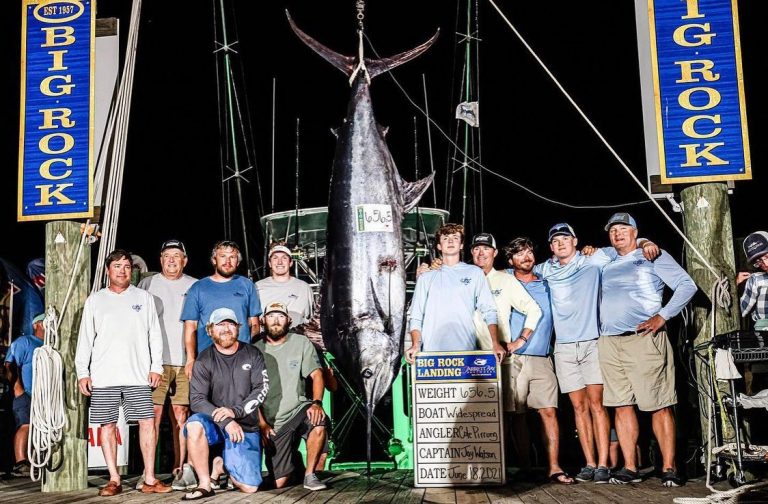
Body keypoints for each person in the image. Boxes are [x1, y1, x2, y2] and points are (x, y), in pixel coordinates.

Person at [598, 212, 696, 486]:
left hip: (644, 339)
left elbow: (687, 285)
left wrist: (663, 315)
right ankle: (630, 468)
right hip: (610, 341)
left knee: (659, 405)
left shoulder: (653, 255)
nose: (618, 233)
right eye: (613, 230)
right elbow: (587, 252)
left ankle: (669, 468)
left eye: (624, 228)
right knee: (621, 405)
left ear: (634, 231)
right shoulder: (606, 258)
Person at [74, 249, 170, 496]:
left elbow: (154, 335)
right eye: (117, 266)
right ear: (108, 270)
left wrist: (156, 367)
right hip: (104, 375)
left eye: (126, 266)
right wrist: (82, 372)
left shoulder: (144, 298)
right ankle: (114, 479)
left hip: (137, 375)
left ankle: (149, 478)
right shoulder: (96, 300)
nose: (122, 270)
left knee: (147, 423)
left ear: (132, 270)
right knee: (107, 425)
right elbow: (85, 339)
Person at [504, 237, 574, 485]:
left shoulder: (547, 283)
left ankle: (554, 467)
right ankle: (524, 467)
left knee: (548, 412)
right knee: (518, 416)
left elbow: (568, 262)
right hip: (514, 358)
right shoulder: (503, 280)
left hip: (543, 357)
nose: (526, 257)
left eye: (529, 251)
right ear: (511, 260)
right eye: (519, 253)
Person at [183, 307, 269, 500]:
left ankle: (221, 465)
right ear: (210, 330)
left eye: (230, 323)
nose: (226, 329)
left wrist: (234, 413)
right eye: (220, 324)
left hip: (244, 425)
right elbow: (197, 400)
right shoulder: (204, 360)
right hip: (217, 424)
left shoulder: (252, 354)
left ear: (238, 328)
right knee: (195, 424)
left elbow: (260, 390)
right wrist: (226, 421)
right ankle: (205, 484)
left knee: (250, 487)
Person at [138, 239, 198, 490]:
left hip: (185, 361)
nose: (171, 260)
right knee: (152, 415)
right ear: (160, 260)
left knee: (181, 416)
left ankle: (179, 467)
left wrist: (194, 358)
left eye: (176, 255)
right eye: (166, 255)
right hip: (155, 362)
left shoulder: (195, 285)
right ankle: (148, 472)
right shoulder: (147, 284)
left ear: (184, 260)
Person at [255, 302, 328, 491]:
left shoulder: (301, 342)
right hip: (272, 421)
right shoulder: (254, 349)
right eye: (271, 316)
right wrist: (262, 423)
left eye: (280, 316)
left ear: (288, 320)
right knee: (280, 482)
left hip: (298, 409)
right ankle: (294, 465)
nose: (276, 321)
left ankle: (310, 475)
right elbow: (248, 393)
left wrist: (317, 403)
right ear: (263, 321)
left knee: (318, 421)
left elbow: (317, 375)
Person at [406, 223, 502, 363]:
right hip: (430, 354)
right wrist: (415, 345)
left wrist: (495, 343)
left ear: (462, 245)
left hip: (466, 352)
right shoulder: (425, 277)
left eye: (455, 238)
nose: (450, 241)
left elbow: (489, 310)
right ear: (439, 246)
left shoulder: (475, 273)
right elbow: (416, 316)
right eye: (445, 238)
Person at [181, 240, 261, 381]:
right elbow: (190, 326)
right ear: (214, 260)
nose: (228, 261)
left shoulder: (247, 285)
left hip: (241, 359)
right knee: (208, 401)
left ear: (238, 261)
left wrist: (251, 353)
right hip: (207, 359)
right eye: (223, 256)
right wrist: (190, 359)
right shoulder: (198, 288)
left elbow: (254, 324)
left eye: (232, 257)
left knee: (241, 400)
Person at [4, 312, 45, 476]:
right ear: (36, 325)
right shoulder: (25, 341)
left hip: (44, 396)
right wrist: (17, 387)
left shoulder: (51, 345)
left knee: (40, 428)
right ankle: (20, 463)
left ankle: (36, 461)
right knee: (25, 425)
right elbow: (9, 364)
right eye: (44, 322)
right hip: (26, 393)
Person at [256, 243, 314, 328]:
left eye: (284, 258)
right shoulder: (257, 287)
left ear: (290, 263)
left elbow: (312, 320)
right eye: (275, 258)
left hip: (296, 338)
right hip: (267, 339)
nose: (279, 262)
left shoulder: (304, 288)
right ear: (269, 263)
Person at [737, 231, 768, 330]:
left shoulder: (756, 280)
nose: (766, 264)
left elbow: (741, 311)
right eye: (758, 262)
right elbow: (741, 311)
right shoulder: (756, 279)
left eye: (767, 257)